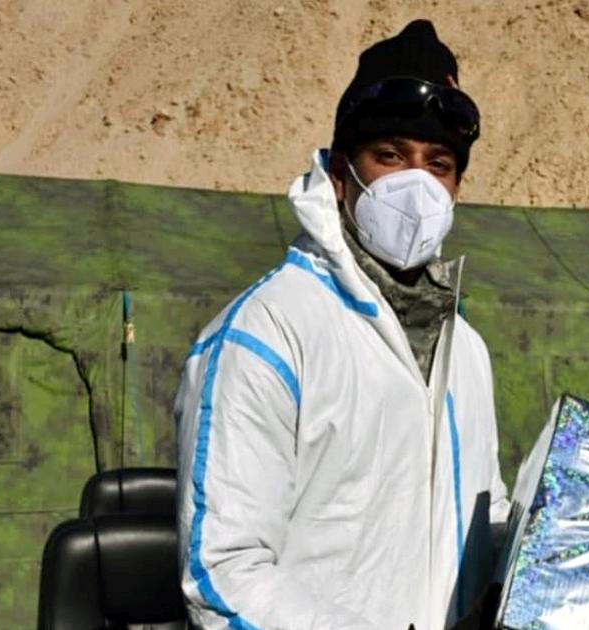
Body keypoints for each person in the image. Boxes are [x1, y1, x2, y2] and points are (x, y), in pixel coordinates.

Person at [174, 20, 507, 630]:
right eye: (390, 156)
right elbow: (225, 577)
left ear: (457, 189)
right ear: (338, 175)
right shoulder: (270, 334)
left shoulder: (466, 351)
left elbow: (480, 527)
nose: (416, 184)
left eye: (438, 164)